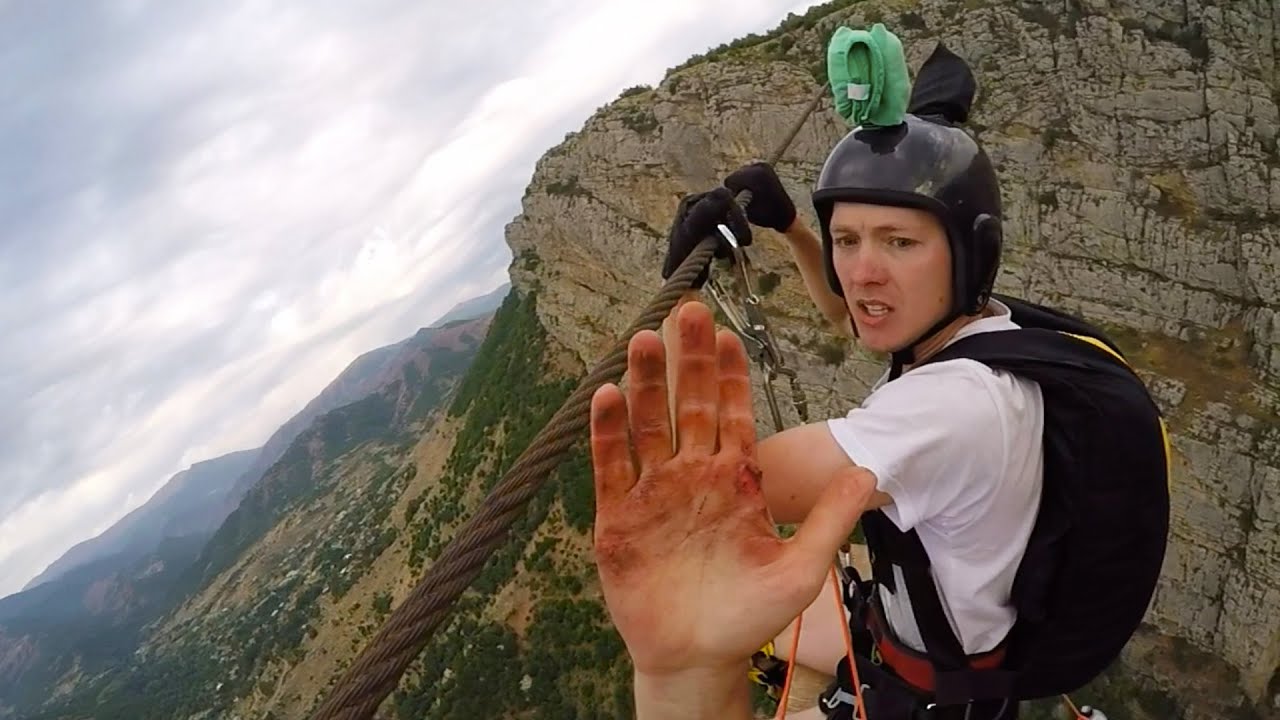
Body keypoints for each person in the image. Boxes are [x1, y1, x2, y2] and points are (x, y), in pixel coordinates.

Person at [595, 41, 1170, 720]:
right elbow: (848, 315)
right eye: (847, 241)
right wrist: (791, 230)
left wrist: (679, 297)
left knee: (695, 626)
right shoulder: (991, 328)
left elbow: (699, 498)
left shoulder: (950, 410)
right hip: (929, 625)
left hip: (934, 695)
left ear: (967, 253)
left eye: (899, 242)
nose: (862, 272)